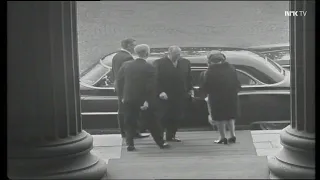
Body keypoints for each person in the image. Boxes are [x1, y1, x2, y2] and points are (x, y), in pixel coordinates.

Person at [116, 44, 169, 151]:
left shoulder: (126, 65)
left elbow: (119, 81)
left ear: (136, 53)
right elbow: (151, 86)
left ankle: (130, 144)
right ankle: (160, 142)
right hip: (142, 100)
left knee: (129, 121)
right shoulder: (150, 67)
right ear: (147, 53)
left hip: (128, 98)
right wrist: (147, 101)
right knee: (152, 122)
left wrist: (122, 96)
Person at [199, 50, 241, 144]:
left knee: (219, 118)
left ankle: (222, 137)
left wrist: (205, 95)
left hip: (216, 98)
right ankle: (232, 135)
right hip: (231, 97)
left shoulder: (209, 72)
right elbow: (237, 83)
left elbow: (206, 87)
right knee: (230, 116)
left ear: (210, 61)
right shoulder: (231, 68)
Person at [153, 46, 193, 142]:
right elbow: (155, 79)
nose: (178, 56)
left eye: (179, 54)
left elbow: (189, 77)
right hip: (165, 95)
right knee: (163, 116)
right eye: (176, 54)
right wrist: (160, 91)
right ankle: (160, 137)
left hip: (180, 95)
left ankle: (171, 136)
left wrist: (190, 89)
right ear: (169, 53)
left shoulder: (185, 62)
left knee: (177, 116)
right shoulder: (159, 63)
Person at [112, 38, 149, 139]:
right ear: (128, 46)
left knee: (122, 111)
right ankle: (133, 133)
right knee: (131, 112)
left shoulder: (116, 56)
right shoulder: (127, 58)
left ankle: (124, 132)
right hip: (127, 90)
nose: (134, 47)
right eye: (133, 45)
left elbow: (116, 74)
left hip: (120, 89)